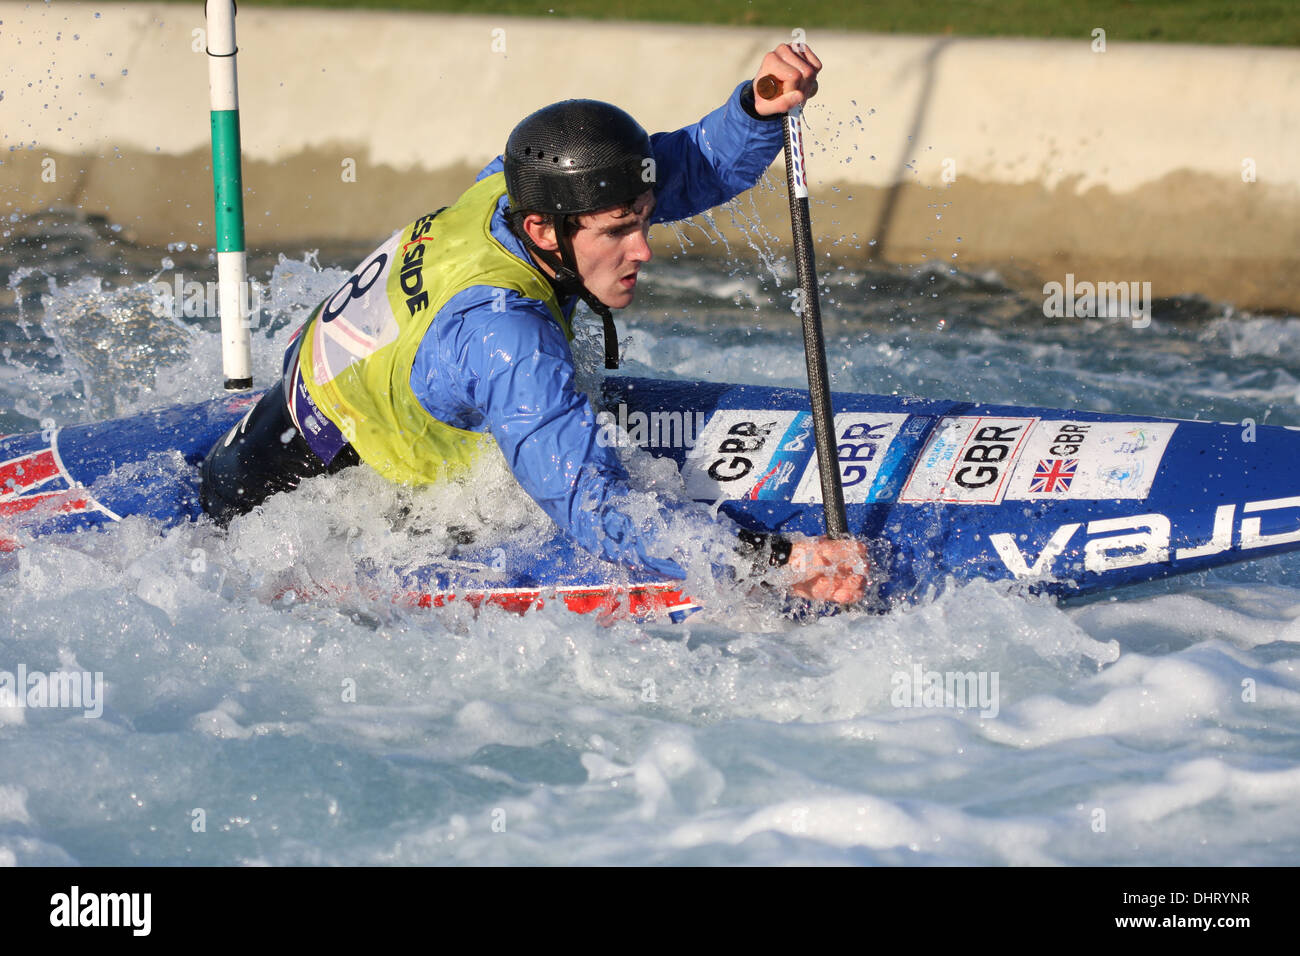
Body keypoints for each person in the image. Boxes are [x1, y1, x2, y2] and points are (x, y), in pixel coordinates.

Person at [200, 42, 868, 606]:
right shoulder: (507, 338)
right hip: (291, 513)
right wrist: (777, 561)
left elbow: (688, 166)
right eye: (618, 231)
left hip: (303, 407)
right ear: (543, 230)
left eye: (643, 217)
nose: (643, 248)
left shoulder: (511, 189)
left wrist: (755, 109)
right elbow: (597, 511)